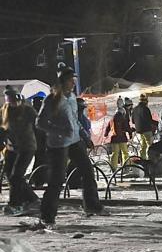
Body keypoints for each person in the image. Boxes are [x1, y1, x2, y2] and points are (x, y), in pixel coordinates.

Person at [35, 64, 107, 229]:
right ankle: (47, 215)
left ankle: (92, 205)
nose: (73, 83)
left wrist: (85, 136)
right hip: (58, 145)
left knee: (88, 171)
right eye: (71, 80)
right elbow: (40, 123)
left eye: (74, 80)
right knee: (57, 180)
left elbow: (75, 120)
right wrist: (59, 131)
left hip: (74, 141)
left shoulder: (72, 98)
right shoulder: (52, 99)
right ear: (63, 81)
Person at [0, 86, 40, 215]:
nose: (14, 104)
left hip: (27, 147)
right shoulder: (4, 112)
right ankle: (32, 198)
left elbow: (39, 124)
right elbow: (2, 131)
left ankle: (15, 203)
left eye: (16, 100)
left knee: (16, 175)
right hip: (11, 148)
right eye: (11, 101)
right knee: (11, 176)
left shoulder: (27, 111)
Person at [132, 94, 155, 160]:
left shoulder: (134, 109)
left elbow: (133, 121)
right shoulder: (146, 109)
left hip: (139, 130)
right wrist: (157, 123)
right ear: (145, 101)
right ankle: (151, 159)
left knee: (143, 145)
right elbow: (150, 120)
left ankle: (142, 159)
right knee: (150, 145)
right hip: (147, 129)